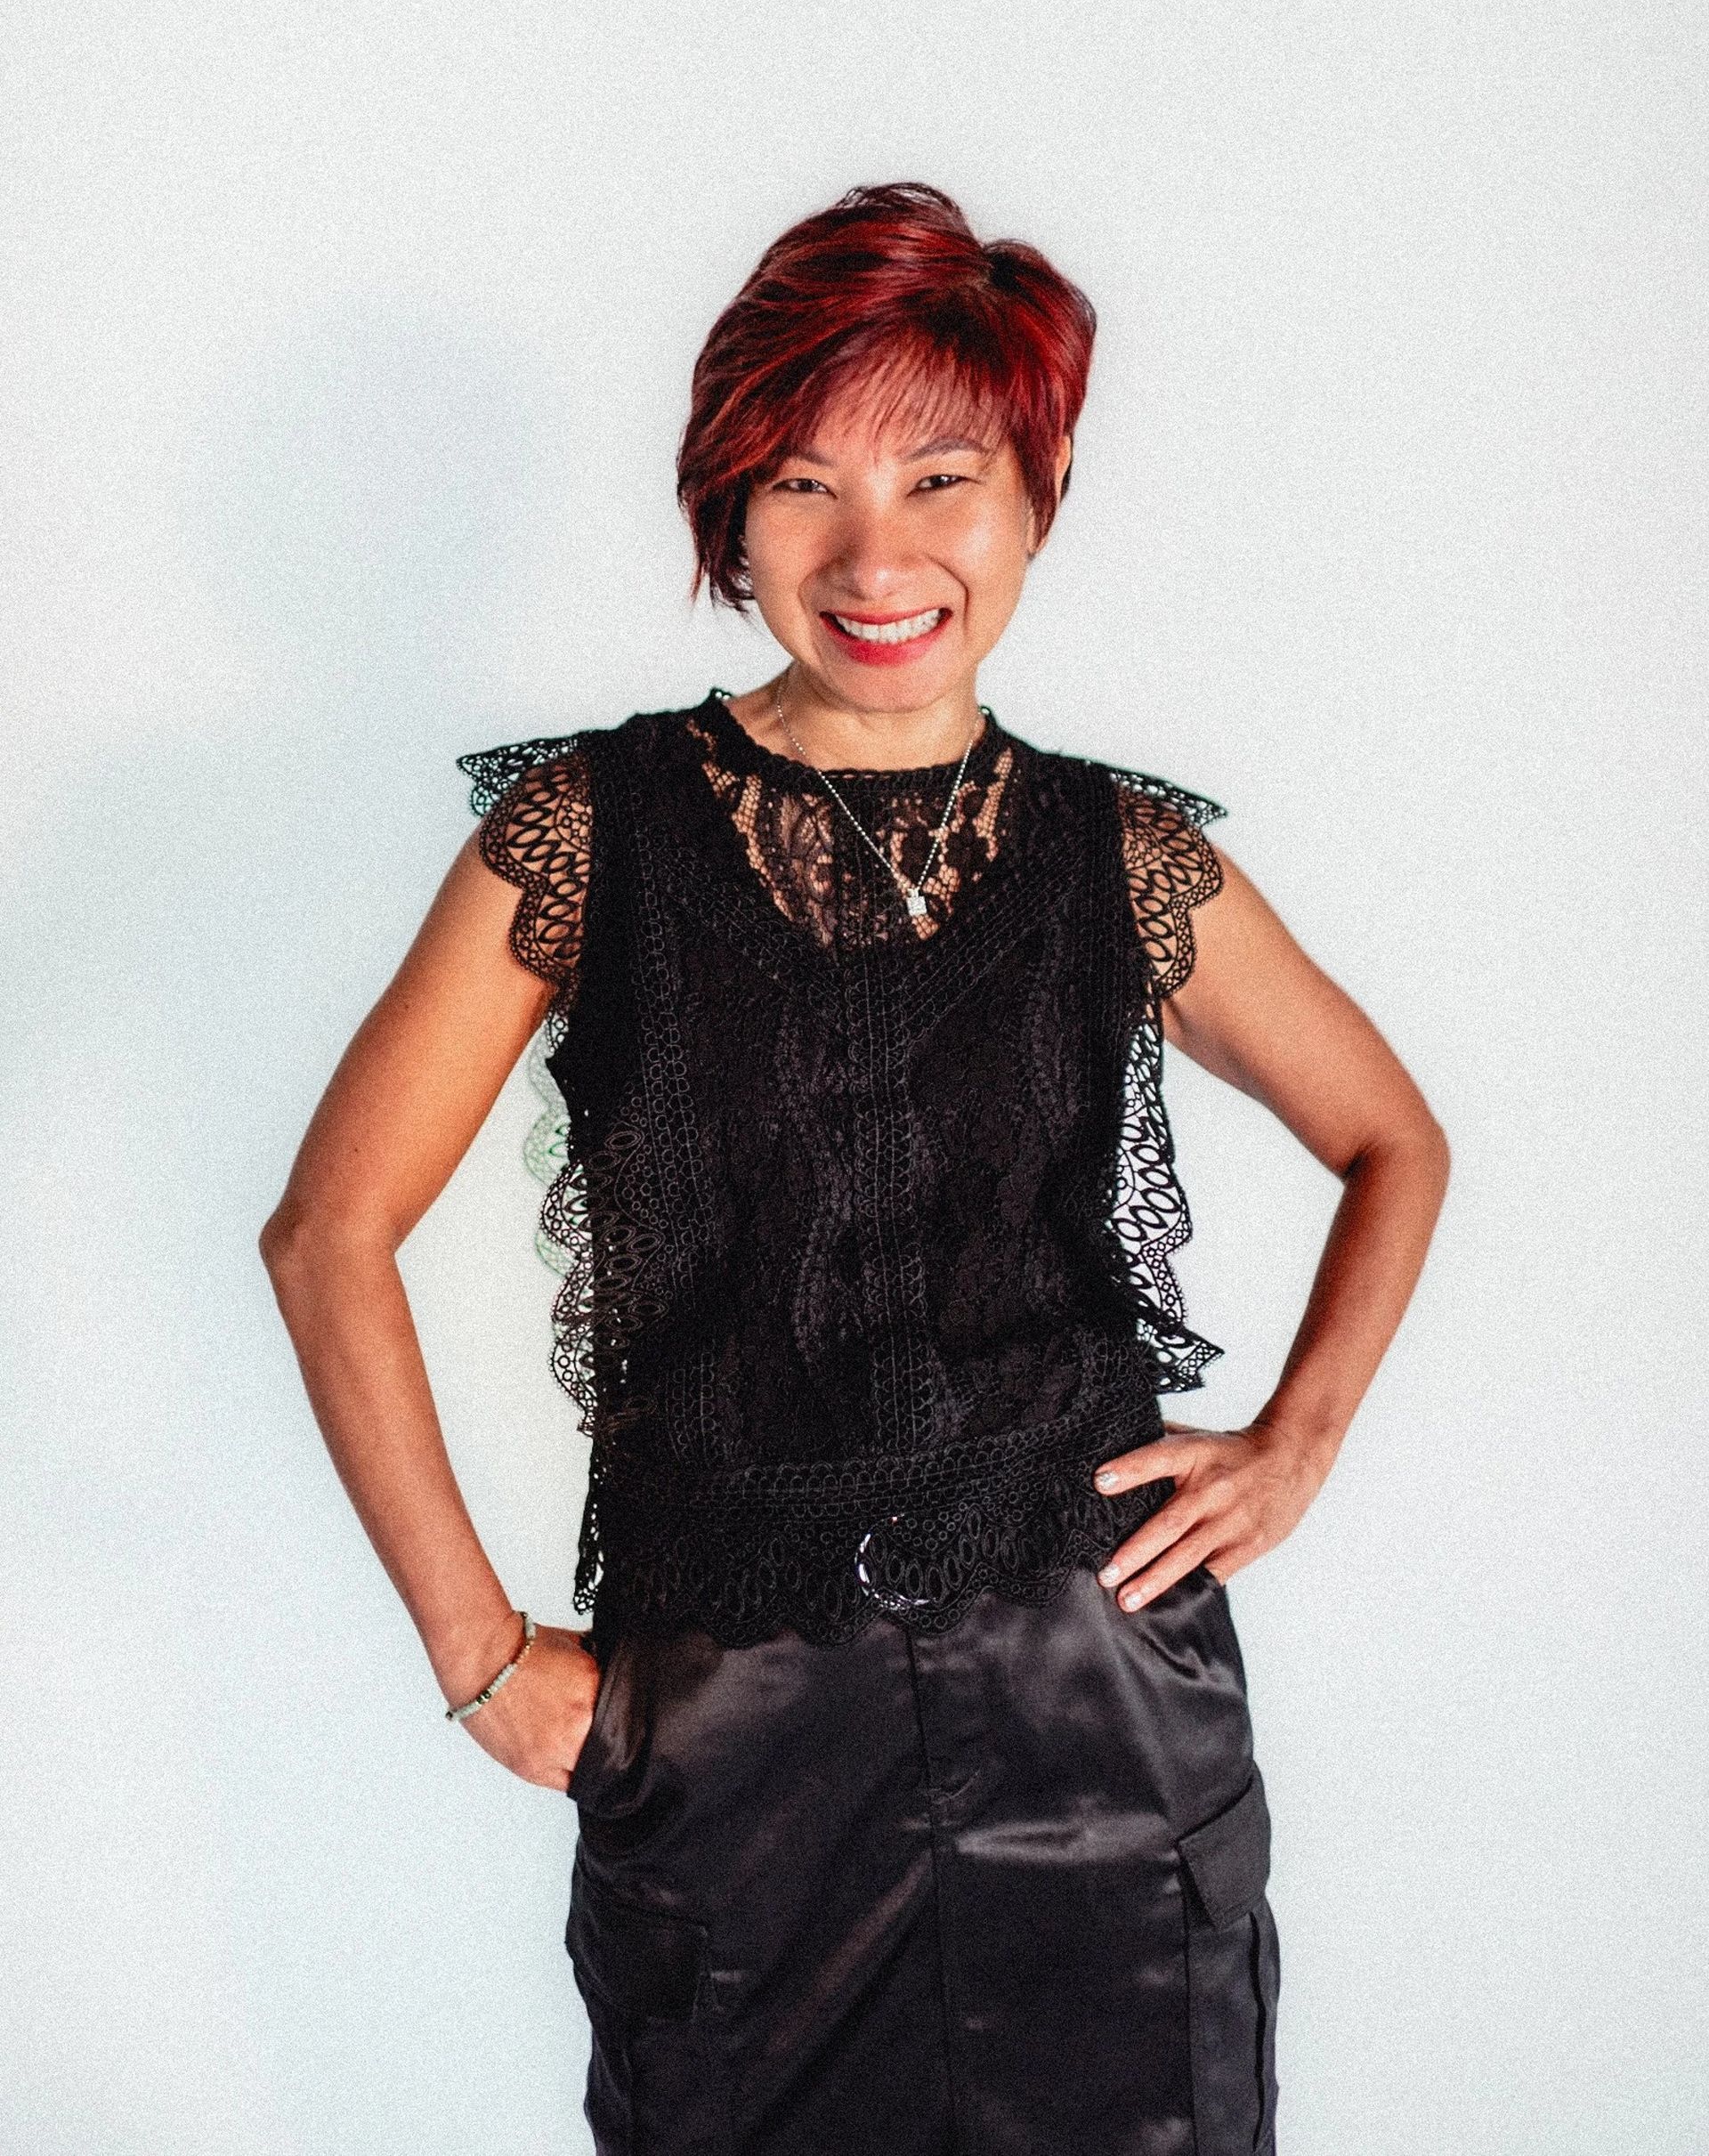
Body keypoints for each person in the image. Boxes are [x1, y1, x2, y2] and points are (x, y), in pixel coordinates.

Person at [261, 182, 1451, 2156]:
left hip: (1103, 1715)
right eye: (804, 484)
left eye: (940, 479)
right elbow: (329, 1233)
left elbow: (1392, 1136)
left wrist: (1298, 1438)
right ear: (730, 516)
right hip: (736, 1748)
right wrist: (480, 1656)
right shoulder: (594, 829)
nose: (875, 554)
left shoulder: (1115, 854)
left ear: (1035, 499)